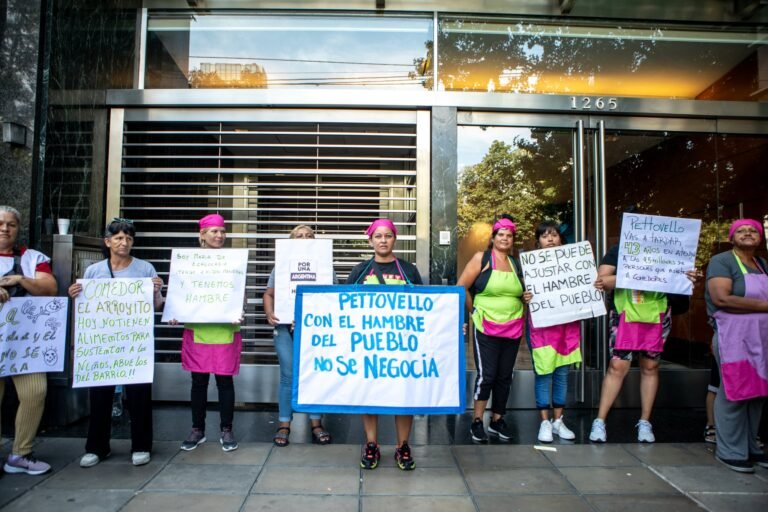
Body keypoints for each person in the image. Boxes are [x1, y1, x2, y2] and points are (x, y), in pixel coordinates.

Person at [590, 219, 700, 444]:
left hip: (657, 314)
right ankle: (600, 421)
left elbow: (682, 279)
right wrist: (638, 273)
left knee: (650, 366)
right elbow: (601, 280)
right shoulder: (618, 251)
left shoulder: (669, 252)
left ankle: (645, 422)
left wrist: (689, 277)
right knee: (617, 366)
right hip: (625, 313)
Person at [68, 218, 164, 467]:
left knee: (139, 395)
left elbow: (157, 306)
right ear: (108, 241)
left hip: (134, 343)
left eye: (129, 238)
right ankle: (97, 447)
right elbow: (85, 308)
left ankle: (141, 445)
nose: (124, 242)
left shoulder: (145, 269)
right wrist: (74, 294)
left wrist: (155, 291)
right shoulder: (94, 271)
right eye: (119, 238)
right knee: (100, 395)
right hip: (103, 343)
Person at [347, 218, 422, 471]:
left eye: (387, 236)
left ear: (394, 239)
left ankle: (403, 446)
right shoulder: (360, 270)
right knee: (370, 393)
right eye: (378, 236)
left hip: (403, 345)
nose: (382, 240)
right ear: (370, 240)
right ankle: (371, 444)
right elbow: (342, 306)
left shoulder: (409, 270)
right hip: (368, 346)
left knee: (404, 395)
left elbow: (427, 306)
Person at [174, 214, 244, 452]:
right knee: (198, 382)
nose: (219, 236)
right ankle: (197, 429)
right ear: (202, 234)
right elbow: (179, 292)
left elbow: (240, 294)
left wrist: (240, 307)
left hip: (225, 329)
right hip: (198, 330)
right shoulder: (189, 261)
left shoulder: (232, 261)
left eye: (222, 231)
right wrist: (174, 310)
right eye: (214, 231)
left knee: (225, 381)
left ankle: (226, 429)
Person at [705, 218, 768, 473]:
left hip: (761, 337)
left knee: (758, 391)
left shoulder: (762, 264)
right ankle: (730, 449)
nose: (747, 233)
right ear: (732, 238)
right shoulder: (723, 262)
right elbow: (722, 298)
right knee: (734, 387)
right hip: (734, 336)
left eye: (753, 230)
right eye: (741, 230)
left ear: (761, 237)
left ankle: (751, 446)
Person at [0, 205, 57, 475]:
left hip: (25, 343)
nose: (5, 228)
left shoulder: (32, 258)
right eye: (1, 223)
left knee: (35, 392)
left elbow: (49, 287)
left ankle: (20, 453)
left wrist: (21, 280)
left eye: (11, 224)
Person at [263, 224, 332, 447]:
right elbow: (269, 294)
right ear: (291, 241)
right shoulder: (281, 267)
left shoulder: (325, 267)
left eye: (309, 235)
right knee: (288, 374)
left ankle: (316, 423)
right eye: (299, 236)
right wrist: (270, 313)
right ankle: (284, 424)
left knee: (314, 374)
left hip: (315, 328)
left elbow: (333, 297)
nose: (304, 238)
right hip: (284, 328)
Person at [457, 214, 523, 444]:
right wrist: (473, 311)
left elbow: (522, 293)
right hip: (485, 326)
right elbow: (461, 287)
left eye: (509, 235)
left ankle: (497, 420)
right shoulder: (481, 258)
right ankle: (477, 421)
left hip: (513, 326)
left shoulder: (516, 264)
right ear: (493, 238)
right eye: (501, 235)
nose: (505, 239)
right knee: (487, 375)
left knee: (505, 376)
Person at [521, 221, 581, 443]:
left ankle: (558, 421)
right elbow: (522, 292)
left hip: (566, 327)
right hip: (542, 328)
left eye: (554, 235)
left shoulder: (574, 263)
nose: (550, 239)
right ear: (538, 241)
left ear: (560, 239)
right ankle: (544, 422)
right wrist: (524, 297)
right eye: (545, 236)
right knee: (544, 373)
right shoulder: (530, 266)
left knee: (562, 375)